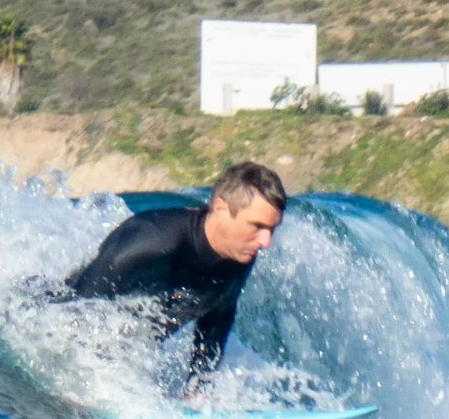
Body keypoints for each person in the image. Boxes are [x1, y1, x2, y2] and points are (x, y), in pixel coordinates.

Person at [67, 162, 287, 385]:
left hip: (124, 356)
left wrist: (197, 387)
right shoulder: (152, 242)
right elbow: (73, 309)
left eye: (271, 229)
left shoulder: (239, 254)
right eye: (257, 226)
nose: (265, 242)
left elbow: (217, 320)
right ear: (220, 208)